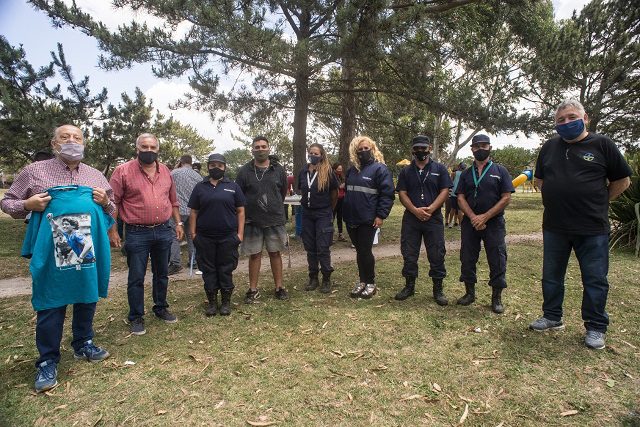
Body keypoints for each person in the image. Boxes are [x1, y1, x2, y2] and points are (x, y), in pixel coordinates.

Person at [1, 124, 115, 393]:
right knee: (51, 301)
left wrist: (104, 203)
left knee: (86, 295)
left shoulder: (96, 175)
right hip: (51, 249)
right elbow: (8, 201)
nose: (72, 141)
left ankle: (83, 342)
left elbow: (113, 209)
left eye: (77, 137)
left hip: (87, 246)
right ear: (54, 144)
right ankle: (48, 360)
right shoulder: (34, 171)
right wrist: (27, 205)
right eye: (66, 137)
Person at [529, 99, 632, 350]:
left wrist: (599, 200)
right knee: (551, 277)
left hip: (592, 227)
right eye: (561, 120)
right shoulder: (549, 147)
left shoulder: (602, 144)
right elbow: (540, 180)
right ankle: (552, 316)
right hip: (555, 226)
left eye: (572, 117)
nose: (566, 123)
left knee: (595, 279)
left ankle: (596, 327)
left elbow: (622, 181)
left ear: (585, 118)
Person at [109, 133, 184, 335]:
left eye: (152, 147)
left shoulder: (166, 171)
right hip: (136, 233)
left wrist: (178, 222)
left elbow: (173, 200)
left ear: (157, 150)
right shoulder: (122, 171)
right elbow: (112, 202)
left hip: (163, 230)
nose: (149, 151)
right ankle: (136, 316)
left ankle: (161, 307)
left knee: (162, 273)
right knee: (136, 276)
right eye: (145, 147)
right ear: (137, 148)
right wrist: (113, 229)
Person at [456, 134, 514, 314]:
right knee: (467, 257)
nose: (480, 148)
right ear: (472, 149)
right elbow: (460, 197)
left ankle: (496, 298)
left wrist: (485, 217)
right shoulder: (465, 173)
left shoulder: (500, 171)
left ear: (490, 147)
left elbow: (506, 197)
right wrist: (473, 217)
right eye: (477, 146)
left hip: (494, 223)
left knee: (497, 258)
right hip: (469, 223)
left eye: (484, 145)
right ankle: (469, 293)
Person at [394, 135, 452, 305]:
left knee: (437, 253)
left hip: (433, 219)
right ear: (413, 150)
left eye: (424, 148)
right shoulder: (405, 171)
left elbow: (445, 191)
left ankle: (438, 289)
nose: (420, 151)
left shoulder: (440, 169)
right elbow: (402, 193)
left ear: (429, 149)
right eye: (417, 148)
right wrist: (414, 210)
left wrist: (431, 208)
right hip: (411, 219)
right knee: (409, 253)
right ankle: (409, 286)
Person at [189, 154, 246, 316]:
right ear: (208, 167)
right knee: (208, 270)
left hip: (228, 237)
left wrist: (240, 234)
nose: (216, 168)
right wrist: (193, 234)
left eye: (219, 165)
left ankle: (226, 302)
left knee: (225, 269)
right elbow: (194, 211)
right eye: (212, 165)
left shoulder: (233, 186)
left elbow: (241, 211)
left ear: (225, 167)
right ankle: (212, 303)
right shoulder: (200, 187)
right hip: (205, 237)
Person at [236, 136, 289, 302]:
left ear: (269, 148)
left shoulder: (278, 170)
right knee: (254, 255)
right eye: (257, 147)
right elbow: (239, 196)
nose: (260, 149)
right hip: (252, 220)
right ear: (252, 150)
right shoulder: (244, 171)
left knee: (275, 253)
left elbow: (282, 192)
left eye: (263, 146)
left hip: (274, 219)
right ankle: (252, 290)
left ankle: (279, 287)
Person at [343, 136, 395, 299]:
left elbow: (387, 195)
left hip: (368, 219)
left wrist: (381, 215)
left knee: (365, 251)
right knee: (359, 251)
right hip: (351, 218)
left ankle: (370, 283)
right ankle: (362, 281)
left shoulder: (380, 169)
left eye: (367, 148)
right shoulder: (352, 171)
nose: (364, 151)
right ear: (355, 152)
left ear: (372, 149)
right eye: (360, 149)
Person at [299, 144, 339, 293]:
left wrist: (329, 209)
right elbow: (301, 189)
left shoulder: (327, 171)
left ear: (321, 155)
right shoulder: (303, 171)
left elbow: (334, 193)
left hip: (323, 213)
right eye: (311, 152)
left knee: (322, 247)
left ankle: (326, 278)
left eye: (316, 153)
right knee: (310, 247)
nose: (313, 155)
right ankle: (313, 277)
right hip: (307, 214)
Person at [168, 154, 204, 275]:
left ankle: (175, 263)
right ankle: (194, 261)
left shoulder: (174, 173)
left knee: (174, 235)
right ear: (191, 162)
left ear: (180, 162)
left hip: (178, 210)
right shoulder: (198, 176)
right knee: (191, 235)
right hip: (193, 210)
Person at [447, 162, 466, 228]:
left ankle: (450, 223)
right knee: (460, 210)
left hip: (453, 193)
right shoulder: (465, 174)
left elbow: (450, 183)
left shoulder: (454, 173)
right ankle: (460, 225)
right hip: (461, 194)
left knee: (452, 209)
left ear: (459, 166)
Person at [332, 162, 347, 242]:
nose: (340, 171)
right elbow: (339, 186)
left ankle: (340, 234)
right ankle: (330, 235)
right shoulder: (332, 176)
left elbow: (343, 187)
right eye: (338, 169)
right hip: (334, 200)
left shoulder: (341, 176)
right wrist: (344, 184)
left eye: (341, 169)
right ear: (334, 169)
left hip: (342, 199)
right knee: (332, 217)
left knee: (340, 217)